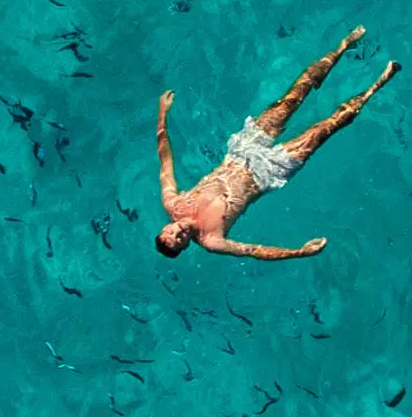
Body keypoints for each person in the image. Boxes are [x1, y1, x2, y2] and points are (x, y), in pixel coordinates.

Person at [155, 30, 397, 259]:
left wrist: (162, 116)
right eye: (180, 240)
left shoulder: (173, 203)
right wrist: (299, 252)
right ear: (186, 246)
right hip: (267, 171)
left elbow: (165, 160)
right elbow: (254, 250)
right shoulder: (212, 240)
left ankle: (343, 46)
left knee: (291, 98)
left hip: (241, 152)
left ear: (166, 227)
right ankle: (377, 85)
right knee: (327, 127)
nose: (179, 233)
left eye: (171, 233)